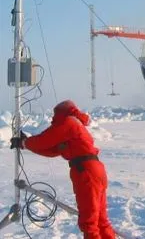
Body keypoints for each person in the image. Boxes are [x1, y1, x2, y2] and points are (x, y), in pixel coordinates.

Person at [11, 100, 116, 239]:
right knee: (100, 219)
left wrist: (24, 142)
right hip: (94, 169)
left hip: (85, 171)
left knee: (89, 221)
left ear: (60, 113)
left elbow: (44, 140)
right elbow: (51, 149)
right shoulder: (74, 126)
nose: (53, 119)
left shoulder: (68, 122)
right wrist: (25, 143)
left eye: (55, 115)